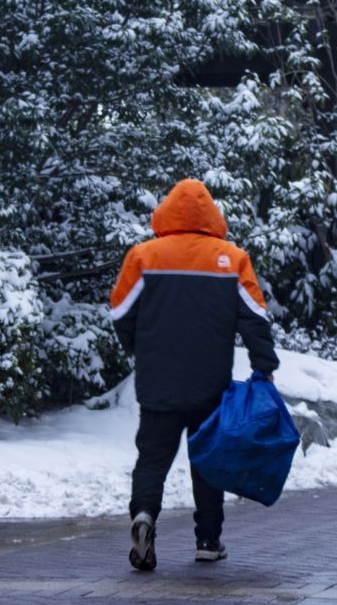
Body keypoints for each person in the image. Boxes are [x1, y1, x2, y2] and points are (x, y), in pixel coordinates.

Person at [108, 178, 277, 571]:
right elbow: (255, 319)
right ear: (211, 214)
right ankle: (208, 539)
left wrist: (137, 347)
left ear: (167, 211)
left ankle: (144, 516)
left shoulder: (144, 256)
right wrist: (263, 367)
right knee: (207, 460)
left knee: (152, 459)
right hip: (210, 384)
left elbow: (119, 313)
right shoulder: (232, 258)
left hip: (157, 382)